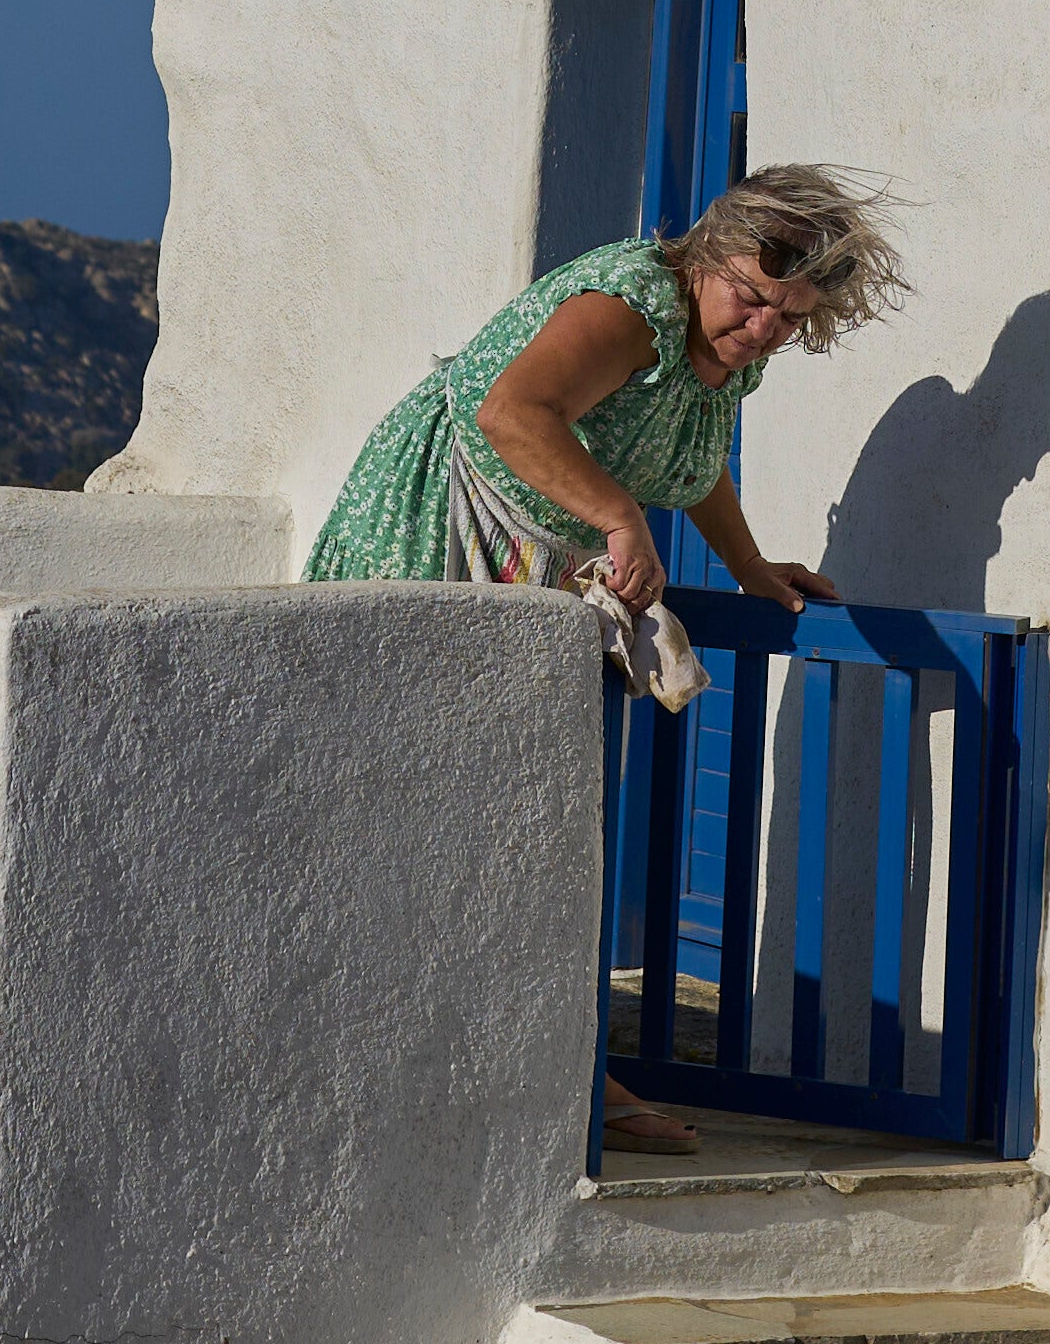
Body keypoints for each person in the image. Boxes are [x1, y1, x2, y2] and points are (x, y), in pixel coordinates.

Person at [307, 168, 909, 1151]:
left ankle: (550, 1069)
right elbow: (512, 413)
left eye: (790, 317)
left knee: (518, 823)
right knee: (415, 806)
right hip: (446, 530)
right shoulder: (629, 304)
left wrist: (752, 567)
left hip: (535, 564)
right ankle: (424, 1070)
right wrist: (621, 518)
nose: (760, 329)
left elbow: (689, 449)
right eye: (751, 300)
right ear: (707, 257)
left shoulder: (726, 354)